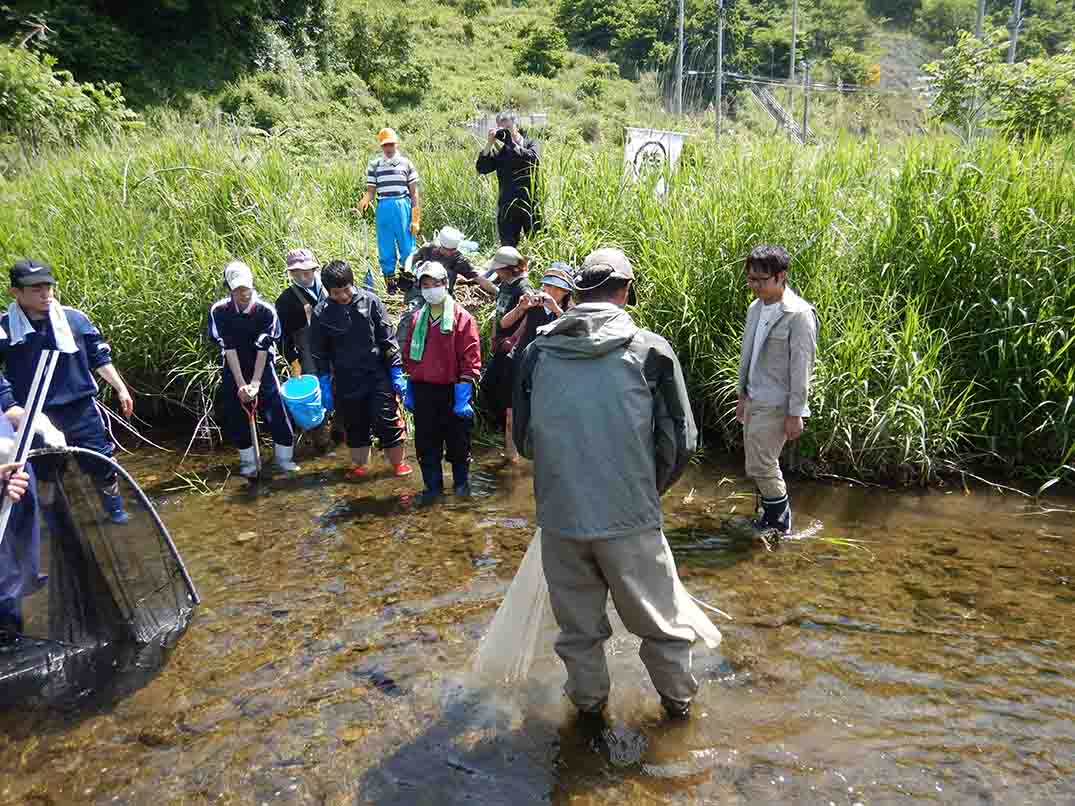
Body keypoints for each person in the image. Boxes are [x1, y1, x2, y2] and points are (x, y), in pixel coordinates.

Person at [513, 247, 715, 721]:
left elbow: (525, 442)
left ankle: (588, 720)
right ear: (624, 291)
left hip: (560, 520)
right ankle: (678, 714)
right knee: (663, 626)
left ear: (579, 292)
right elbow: (680, 442)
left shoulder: (537, 353)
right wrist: (645, 489)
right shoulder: (649, 350)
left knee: (578, 634)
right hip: (629, 516)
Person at [0, 258, 134, 523]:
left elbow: (99, 358)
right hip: (35, 416)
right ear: (16, 292)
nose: (45, 293)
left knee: (102, 464)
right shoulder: (4, 330)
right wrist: (10, 407)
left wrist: (120, 389)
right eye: (35, 288)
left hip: (81, 408)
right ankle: (53, 522)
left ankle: (116, 511)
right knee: (44, 472)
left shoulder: (74, 319)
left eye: (47, 286)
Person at [735, 245, 817, 535]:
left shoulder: (799, 314)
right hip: (754, 398)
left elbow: (802, 367)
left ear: (781, 276)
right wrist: (741, 396)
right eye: (750, 279)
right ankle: (768, 518)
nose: (754, 285)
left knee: (764, 465)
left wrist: (796, 413)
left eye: (761, 279)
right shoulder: (755, 309)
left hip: (777, 403)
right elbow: (749, 355)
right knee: (754, 465)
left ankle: (780, 525)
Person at [309, 260, 412, 480]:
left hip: (376, 373)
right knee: (355, 423)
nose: (343, 296)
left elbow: (388, 339)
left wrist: (396, 373)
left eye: (346, 290)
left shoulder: (371, 301)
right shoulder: (321, 313)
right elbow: (319, 350)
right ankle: (361, 466)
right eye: (337, 293)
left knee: (386, 419)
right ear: (328, 292)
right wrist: (324, 381)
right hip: (346, 377)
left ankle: (398, 464)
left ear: (352, 283)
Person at [400, 262, 481, 503]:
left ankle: (461, 488)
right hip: (424, 391)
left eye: (436, 284)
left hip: (454, 392)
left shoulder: (462, 318)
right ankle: (432, 490)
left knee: (458, 445)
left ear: (446, 284)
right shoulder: (417, 319)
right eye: (425, 285)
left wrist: (463, 395)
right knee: (426, 445)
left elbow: (471, 358)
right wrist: (410, 389)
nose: (431, 289)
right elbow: (408, 357)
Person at [208, 260, 297, 477]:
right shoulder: (219, 311)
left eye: (246, 288)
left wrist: (255, 384)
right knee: (236, 413)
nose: (243, 293)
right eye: (237, 289)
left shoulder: (266, 312)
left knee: (275, 410)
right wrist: (241, 386)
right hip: (233, 366)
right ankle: (248, 462)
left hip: (262, 365)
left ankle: (284, 460)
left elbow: (263, 349)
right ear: (229, 288)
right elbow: (228, 348)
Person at [479, 246, 532, 462]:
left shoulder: (523, 287)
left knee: (510, 401)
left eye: (500, 269)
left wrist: (514, 339)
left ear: (509, 269)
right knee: (489, 386)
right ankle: (503, 435)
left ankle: (513, 452)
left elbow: (528, 317)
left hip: (513, 351)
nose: (497, 273)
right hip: (500, 345)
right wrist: (493, 337)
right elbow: (498, 313)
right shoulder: (505, 286)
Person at [357, 128, 421, 295]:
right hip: (383, 205)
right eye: (385, 145)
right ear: (381, 146)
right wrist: (365, 200)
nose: (389, 148)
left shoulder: (406, 164)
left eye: (391, 144)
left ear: (396, 144)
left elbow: (414, 193)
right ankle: (390, 284)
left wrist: (416, 219)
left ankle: (407, 281)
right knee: (385, 246)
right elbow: (371, 190)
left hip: (402, 205)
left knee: (407, 244)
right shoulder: (375, 165)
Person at [0, 410, 38, 644]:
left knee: (8, 582)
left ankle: (10, 639)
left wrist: (39, 420)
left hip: (9, 491)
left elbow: (7, 403)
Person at [475, 111, 540, 248]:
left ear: (516, 126)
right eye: (502, 129)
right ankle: (510, 269)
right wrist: (489, 144)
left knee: (536, 243)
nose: (505, 133)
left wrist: (512, 144)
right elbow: (482, 168)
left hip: (530, 204)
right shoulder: (500, 152)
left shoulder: (530, 143)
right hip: (508, 206)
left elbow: (534, 159)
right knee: (508, 249)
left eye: (508, 129)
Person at [402, 226, 497, 309]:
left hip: (442, 296)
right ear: (441, 245)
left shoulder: (459, 260)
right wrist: (407, 270)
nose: (451, 253)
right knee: (412, 312)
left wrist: (497, 292)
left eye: (454, 250)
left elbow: (479, 278)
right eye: (448, 250)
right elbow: (413, 256)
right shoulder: (429, 248)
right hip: (421, 291)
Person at [508, 262, 575, 360]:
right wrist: (520, 307)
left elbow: (574, 334)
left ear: (567, 291)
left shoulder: (571, 311)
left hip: (548, 364)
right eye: (548, 285)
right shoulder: (534, 300)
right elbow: (505, 324)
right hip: (523, 357)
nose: (552, 291)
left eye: (559, 288)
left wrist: (556, 310)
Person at [275, 248, 325, 376]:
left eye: (306, 273)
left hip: (337, 345)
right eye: (296, 274)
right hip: (309, 356)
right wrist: (293, 360)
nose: (302, 278)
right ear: (290, 273)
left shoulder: (328, 284)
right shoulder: (286, 300)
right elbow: (282, 337)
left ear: (314, 269)